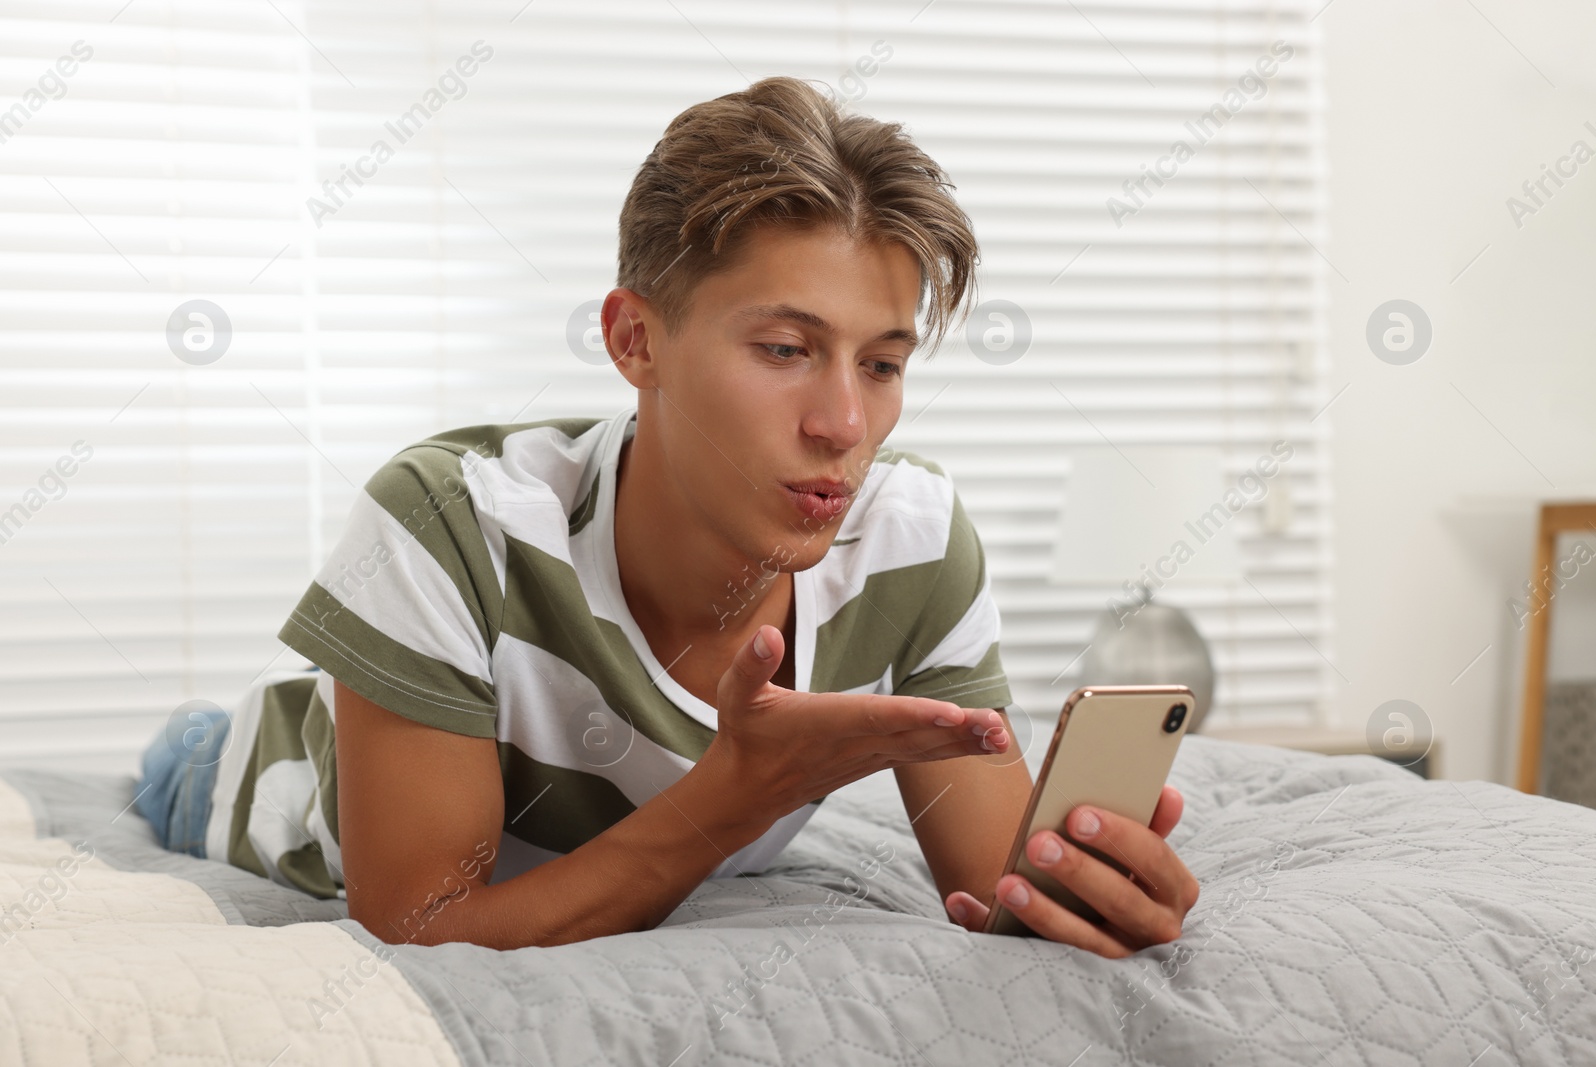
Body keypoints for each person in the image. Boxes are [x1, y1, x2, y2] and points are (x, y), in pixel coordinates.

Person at [137, 75, 1198, 956]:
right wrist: (729, 799)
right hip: (259, 779)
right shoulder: (448, 521)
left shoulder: (908, 538)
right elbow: (421, 925)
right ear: (635, 341)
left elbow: (997, 891)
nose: (843, 424)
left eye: (881, 364)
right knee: (189, 754)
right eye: (784, 349)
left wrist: (1082, 890)